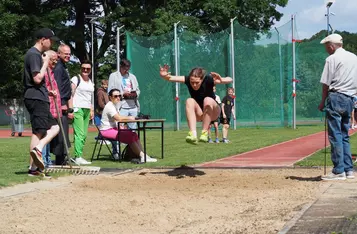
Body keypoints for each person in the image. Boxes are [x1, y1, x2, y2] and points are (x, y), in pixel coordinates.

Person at [159, 64, 233, 144]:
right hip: (200, 113)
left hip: (213, 111)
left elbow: (230, 79)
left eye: (197, 82)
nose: (194, 85)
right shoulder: (187, 79)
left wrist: (221, 79)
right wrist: (163, 75)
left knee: (207, 100)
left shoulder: (208, 79)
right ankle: (193, 134)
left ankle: (204, 133)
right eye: (192, 82)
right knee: (189, 100)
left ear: (202, 79)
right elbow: (170, 78)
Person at [318, 33, 357, 180]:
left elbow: (326, 84)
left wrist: (322, 102)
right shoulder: (354, 58)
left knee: (335, 135)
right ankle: (348, 170)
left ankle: (338, 170)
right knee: (344, 135)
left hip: (336, 97)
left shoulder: (331, 59)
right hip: (350, 98)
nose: (326, 49)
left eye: (326, 47)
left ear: (331, 46)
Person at [23, 28, 60, 176]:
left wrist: (48, 91)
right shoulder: (34, 55)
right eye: (50, 40)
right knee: (39, 132)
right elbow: (37, 78)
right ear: (42, 39)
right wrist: (45, 62)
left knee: (53, 128)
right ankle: (34, 165)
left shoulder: (35, 55)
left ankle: (35, 164)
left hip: (39, 96)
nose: (51, 43)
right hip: (36, 97)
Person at [100, 89, 157, 163]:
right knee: (130, 136)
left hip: (113, 129)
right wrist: (131, 117)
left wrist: (123, 125)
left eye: (119, 96)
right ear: (110, 97)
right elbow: (118, 118)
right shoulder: (110, 106)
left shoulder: (115, 105)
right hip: (106, 131)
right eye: (115, 96)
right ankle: (142, 156)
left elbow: (118, 119)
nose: (118, 97)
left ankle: (144, 156)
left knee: (133, 134)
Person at [69, 60, 94, 165]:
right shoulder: (76, 79)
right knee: (79, 133)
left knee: (84, 134)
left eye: (88, 69)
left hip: (87, 109)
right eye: (83, 68)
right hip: (77, 108)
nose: (85, 70)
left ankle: (79, 155)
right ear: (80, 68)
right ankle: (78, 156)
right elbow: (70, 94)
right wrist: (70, 109)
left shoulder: (91, 82)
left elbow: (91, 97)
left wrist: (92, 109)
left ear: (90, 70)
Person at [53, 43, 72, 165]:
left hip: (64, 102)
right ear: (59, 54)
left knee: (64, 131)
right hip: (61, 103)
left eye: (69, 54)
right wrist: (61, 103)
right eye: (66, 54)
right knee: (61, 132)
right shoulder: (59, 68)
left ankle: (62, 157)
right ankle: (60, 159)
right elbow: (58, 86)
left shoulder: (63, 66)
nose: (68, 56)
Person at [41, 50, 62, 168]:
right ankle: (44, 160)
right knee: (45, 134)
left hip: (54, 109)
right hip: (47, 107)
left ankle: (47, 160)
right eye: (52, 58)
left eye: (56, 59)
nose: (55, 60)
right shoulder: (45, 72)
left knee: (49, 135)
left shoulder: (52, 72)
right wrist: (49, 92)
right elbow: (42, 87)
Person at [108, 59, 140, 129]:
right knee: (119, 128)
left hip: (133, 107)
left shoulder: (133, 77)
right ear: (120, 66)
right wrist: (122, 94)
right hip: (121, 106)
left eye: (128, 69)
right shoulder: (113, 76)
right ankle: (119, 140)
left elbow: (138, 90)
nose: (126, 70)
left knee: (133, 129)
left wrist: (135, 94)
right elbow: (110, 91)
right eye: (124, 68)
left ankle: (132, 140)